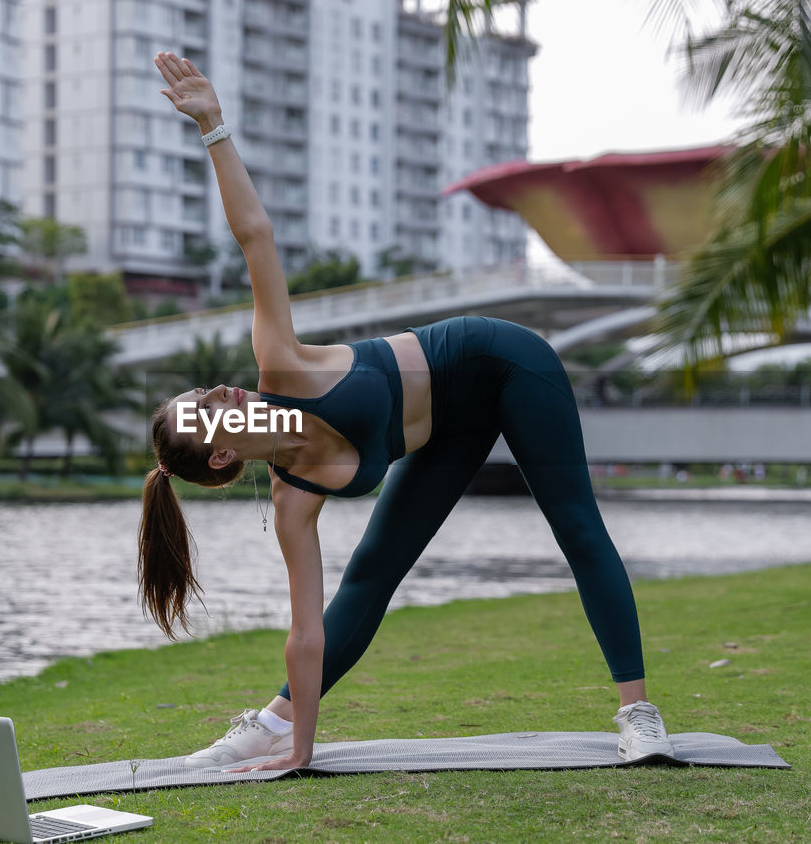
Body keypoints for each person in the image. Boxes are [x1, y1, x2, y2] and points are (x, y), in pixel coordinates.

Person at [137, 52, 673, 773]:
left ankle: (639, 714)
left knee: (575, 524)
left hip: (507, 364)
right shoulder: (292, 497)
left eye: (203, 391)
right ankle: (278, 724)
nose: (219, 393)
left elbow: (255, 235)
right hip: (451, 428)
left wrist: (213, 128)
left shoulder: (281, 365)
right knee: (371, 574)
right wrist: (304, 752)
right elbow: (304, 630)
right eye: (206, 411)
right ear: (223, 454)